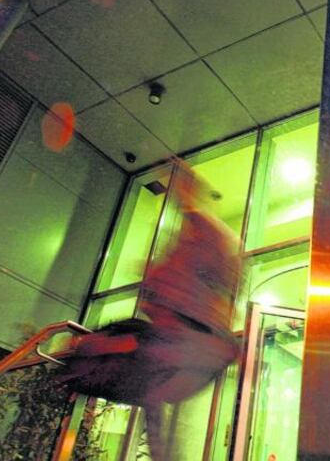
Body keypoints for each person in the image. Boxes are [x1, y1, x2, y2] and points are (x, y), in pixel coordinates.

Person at [58, 160, 242, 460]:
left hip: (189, 347)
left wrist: (187, 199)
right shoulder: (172, 335)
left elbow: (150, 349)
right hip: (183, 352)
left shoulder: (188, 325)